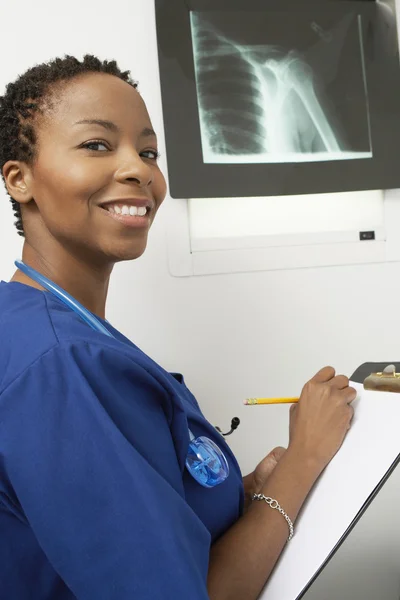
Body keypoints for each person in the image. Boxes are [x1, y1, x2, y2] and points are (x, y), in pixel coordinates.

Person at [0, 55, 356, 600]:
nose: (140, 170)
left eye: (148, 152)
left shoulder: (43, 322)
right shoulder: (61, 364)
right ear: (20, 178)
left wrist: (246, 496)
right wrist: (303, 461)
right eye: (97, 145)